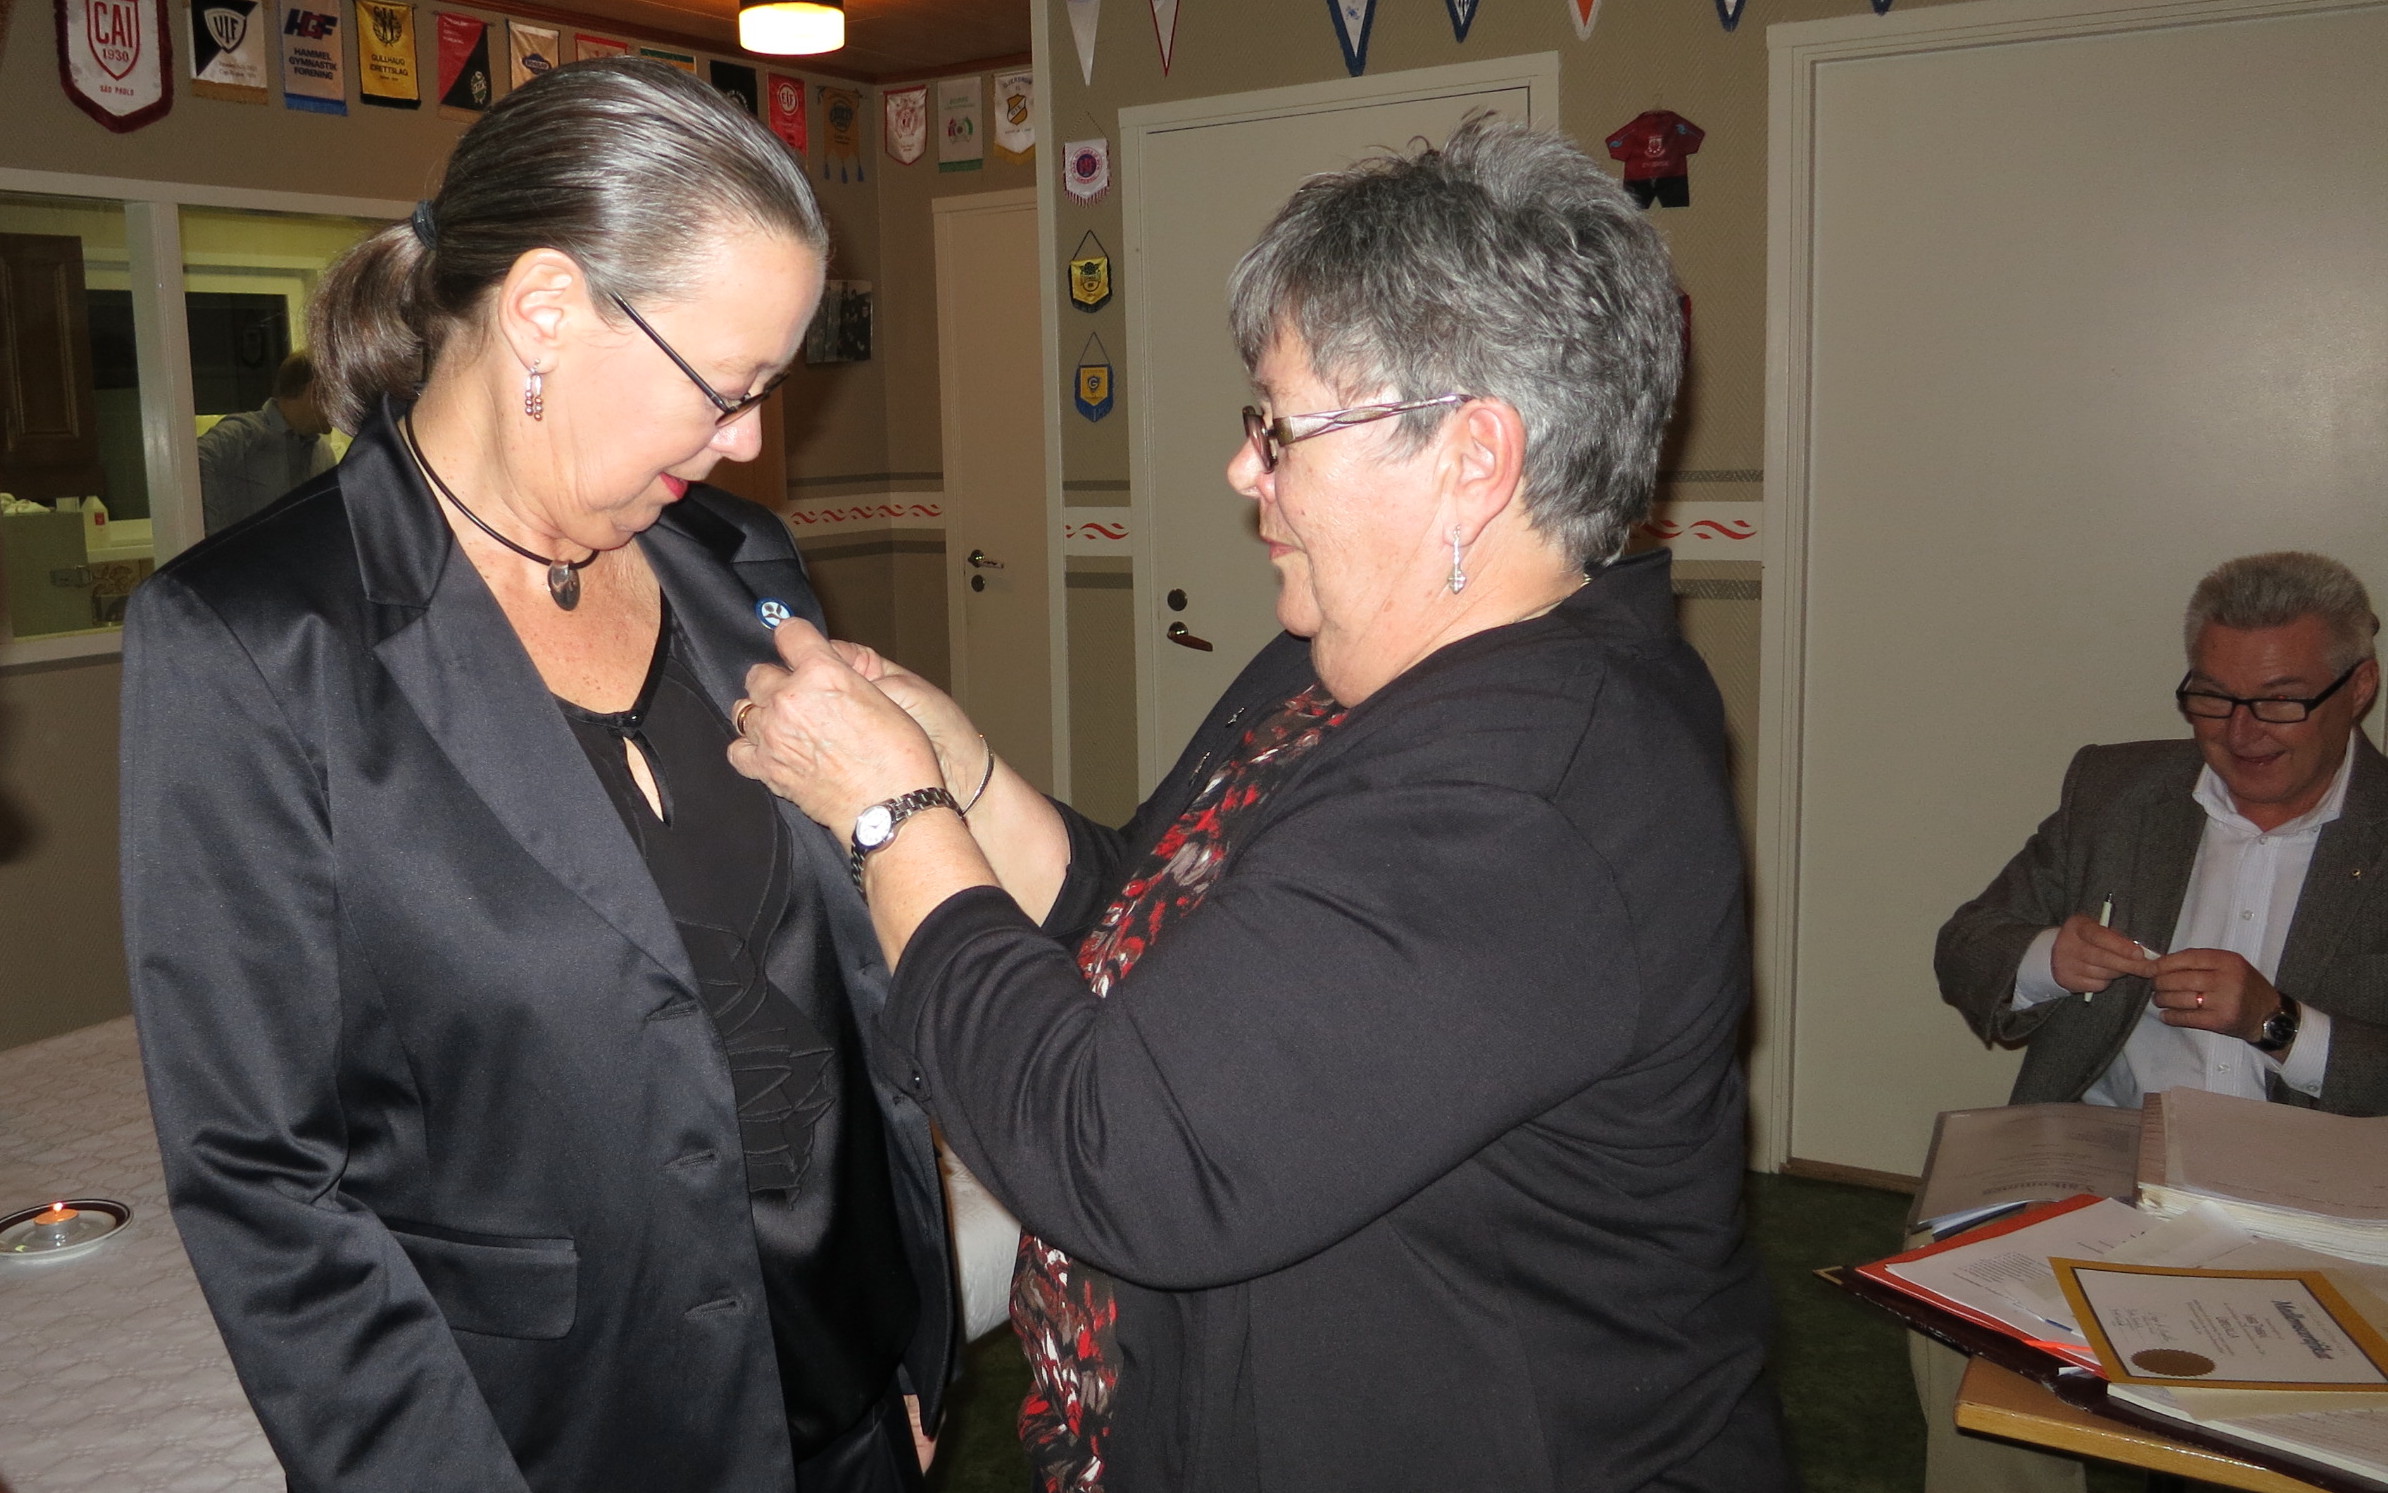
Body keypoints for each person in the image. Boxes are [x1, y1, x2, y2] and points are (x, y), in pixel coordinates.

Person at [728, 117, 1790, 1493]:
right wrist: (968, 778)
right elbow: (1142, 917)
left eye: (1281, 428)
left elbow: (1123, 1150)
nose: (1247, 471)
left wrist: (892, 817)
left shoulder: (1529, 786)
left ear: (1473, 457)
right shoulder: (1354, 662)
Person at [122, 59, 951, 1493]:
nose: (750, 440)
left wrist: (907, 1336)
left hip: (851, 1395)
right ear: (547, 310)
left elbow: (838, 997)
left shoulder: (739, 566)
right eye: (727, 387)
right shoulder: (255, 642)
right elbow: (264, 1182)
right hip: (560, 1437)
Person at [1924, 549, 2388, 1493]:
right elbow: (1966, 944)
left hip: (2318, 1195)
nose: (2241, 732)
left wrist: (2280, 1024)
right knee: (1952, 1303)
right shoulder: (2117, 791)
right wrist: (2046, 957)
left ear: (2359, 687)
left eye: (2279, 702)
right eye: (2212, 697)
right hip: (2103, 1164)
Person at [197, 349, 338, 532]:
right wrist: (215, 535)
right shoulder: (245, 433)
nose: (342, 407)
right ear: (315, 390)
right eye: (337, 394)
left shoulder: (323, 453)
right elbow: (196, 460)